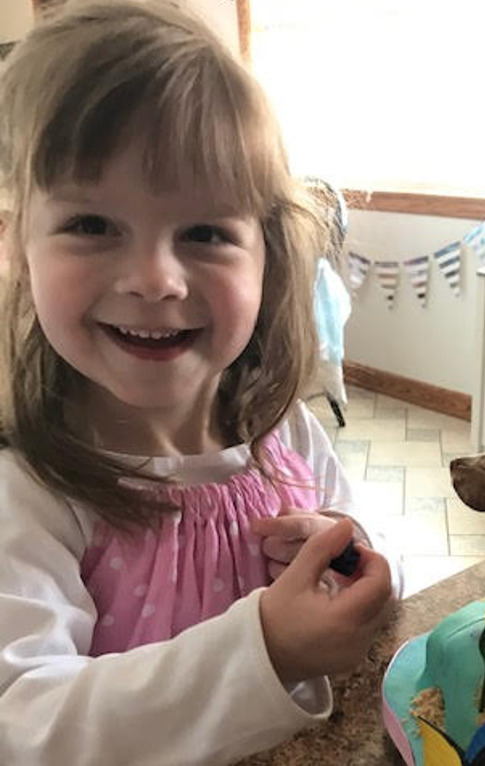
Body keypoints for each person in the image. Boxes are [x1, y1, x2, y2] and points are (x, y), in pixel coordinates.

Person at [0, 1, 401, 763]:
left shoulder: (282, 436)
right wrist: (265, 653)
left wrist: (355, 556)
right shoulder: (30, 492)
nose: (156, 279)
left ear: (268, 260)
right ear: (19, 247)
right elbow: (22, 725)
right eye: (92, 224)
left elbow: (370, 554)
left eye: (206, 233)